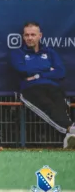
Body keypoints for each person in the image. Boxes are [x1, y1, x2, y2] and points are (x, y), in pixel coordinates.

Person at [10, 21, 74, 149]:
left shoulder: (50, 52)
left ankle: (70, 134)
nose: (29, 38)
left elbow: (61, 72)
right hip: (31, 89)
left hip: (52, 87)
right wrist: (48, 70)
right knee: (47, 105)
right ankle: (70, 129)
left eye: (33, 35)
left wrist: (39, 75)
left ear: (40, 36)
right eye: (27, 35)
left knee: (61, 105)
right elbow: (23, 71)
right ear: (23, 37)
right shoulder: (17, 53)